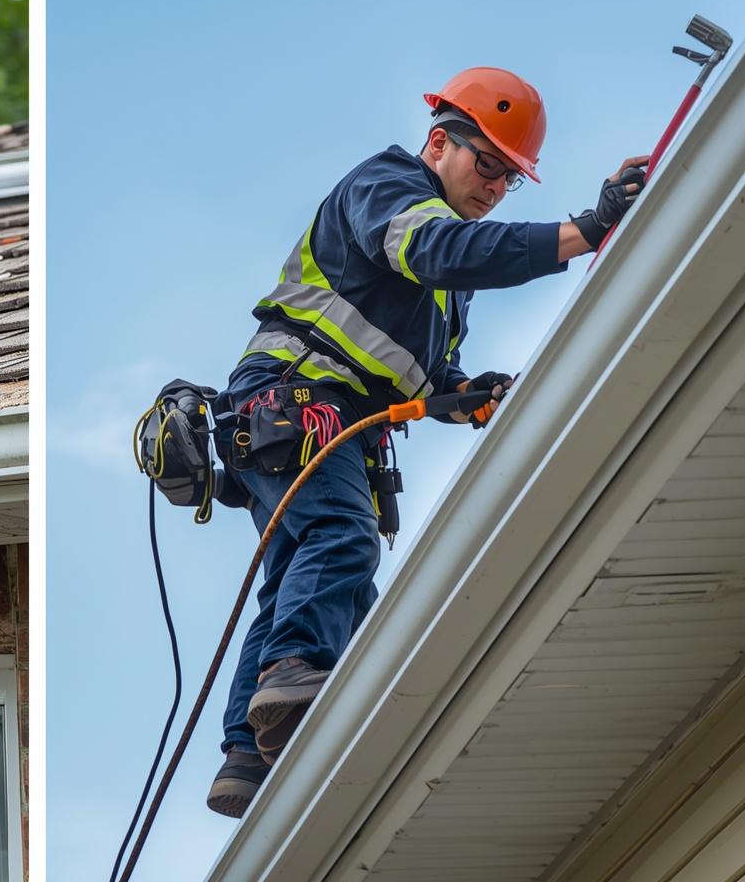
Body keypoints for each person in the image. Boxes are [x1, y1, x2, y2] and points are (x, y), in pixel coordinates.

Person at [205, 68, 649, 818]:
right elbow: (438, 250)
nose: (496, 188)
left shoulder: (449, 283)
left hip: (319, 414)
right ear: (439, 141)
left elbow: (421, 368)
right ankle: (295, 684)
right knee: (341, 539)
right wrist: (585, 230)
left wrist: (463, 394)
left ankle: (246, 755)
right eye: (488, 165)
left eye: (511, 180)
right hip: (295, 394)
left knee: (299, 574)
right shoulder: (388, 187)